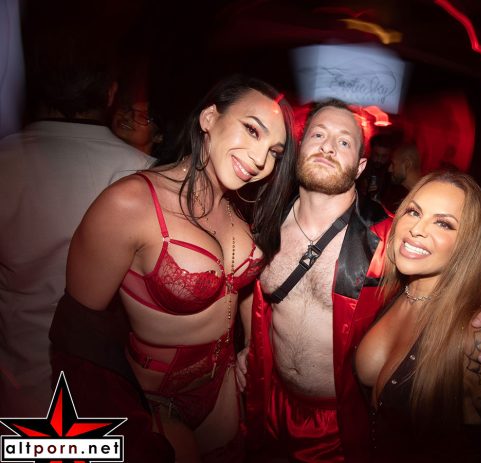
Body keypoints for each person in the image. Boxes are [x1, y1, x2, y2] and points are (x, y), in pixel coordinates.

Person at [240, 99, 481, 463]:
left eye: (344, 141)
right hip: (270, 399)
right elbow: (251, 291)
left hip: (338, 422)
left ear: (360, 165)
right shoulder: (265, 221)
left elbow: (467, 258)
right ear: (299, 148)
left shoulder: (387, 235)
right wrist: (248, 349)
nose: (328, 147)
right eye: (318, 135)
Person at [49, 74, 297, 462]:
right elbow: (77, 337)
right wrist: (127, 425)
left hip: (221, 391)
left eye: (275, 152)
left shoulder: (241, 209)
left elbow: (242, 287)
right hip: (156, 402)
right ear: (209, 118)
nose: (260, 160)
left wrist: (250, 345)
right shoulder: (129, 204)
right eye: (252, 130)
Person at [0, 27, 153, 417]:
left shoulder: (4, 162)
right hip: (108, 400)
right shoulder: (147, 177)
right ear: (110, 94)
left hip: (17, 393)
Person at [355, 171, 481, 462]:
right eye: (414, 212)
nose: (417, 229)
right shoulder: (393, 289)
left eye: (443, 223)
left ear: (467, 244)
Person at [381, 143, 422, 212]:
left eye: (393, 164)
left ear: (407, 164)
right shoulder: (405, 195)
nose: (389, 169)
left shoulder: (425, 197)